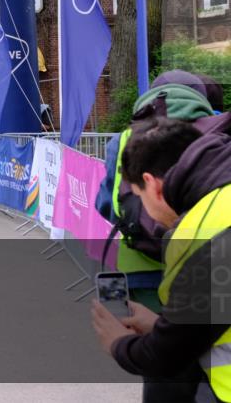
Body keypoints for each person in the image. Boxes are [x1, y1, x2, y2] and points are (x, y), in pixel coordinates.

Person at [91, 117, 231, 401]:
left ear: (151, 185)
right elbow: (204, 322)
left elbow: (169, 354)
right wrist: (161, 325)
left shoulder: (200, 232)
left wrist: (119, 343)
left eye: (139, 198)